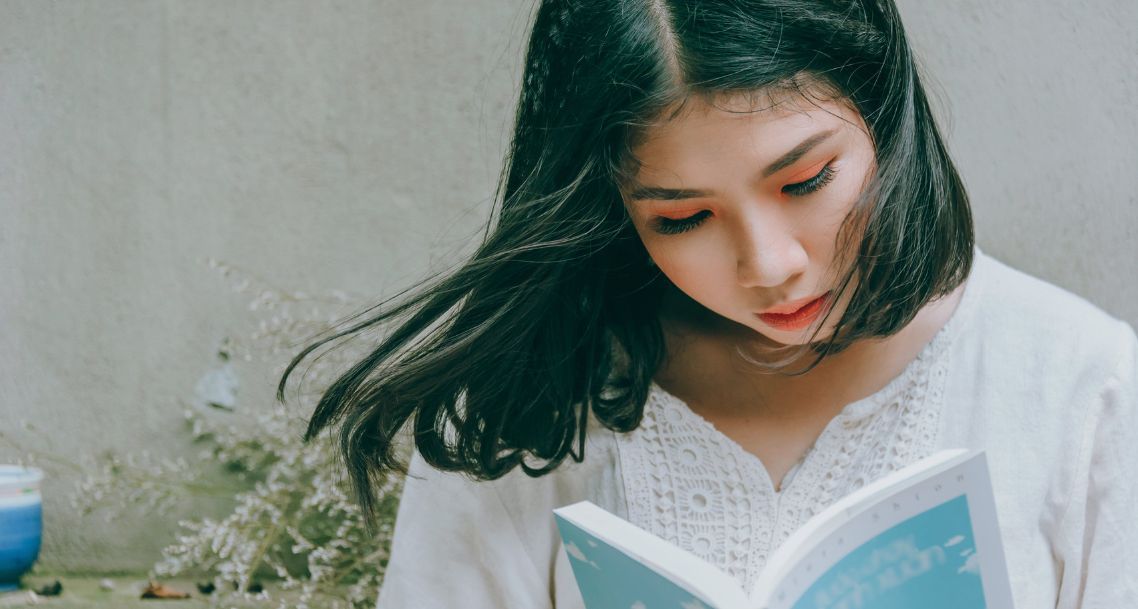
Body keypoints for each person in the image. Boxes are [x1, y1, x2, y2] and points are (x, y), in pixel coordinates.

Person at [280, 0, 1137, 606]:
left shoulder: (1080, 384)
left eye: (806, 180)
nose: (770, 264)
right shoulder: (531, 412)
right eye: (683, 216)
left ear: (884, 114)